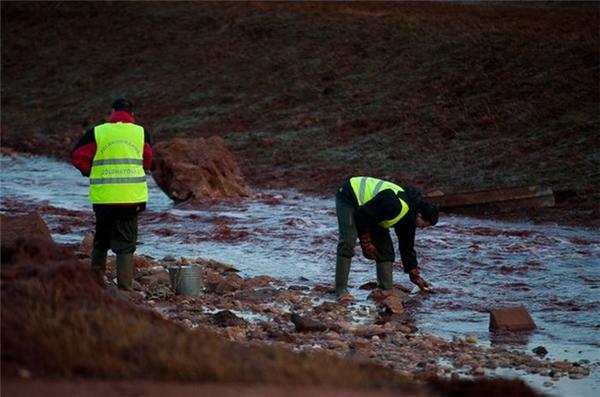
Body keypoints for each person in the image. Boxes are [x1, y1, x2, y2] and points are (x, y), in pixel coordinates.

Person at [71, 98, 153, 290]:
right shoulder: (141, 132)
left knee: (101, 238)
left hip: (104, 198)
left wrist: (90, 171)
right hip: (131, 198)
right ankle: (125, 288)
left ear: (112, 112)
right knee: (125, 243)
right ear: (132, 114)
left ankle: (95, 282)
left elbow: (77, 156)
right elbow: (148, 160)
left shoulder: (98, 132)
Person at [334, 176, 439, 302]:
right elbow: (362, 216)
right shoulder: (395, 204)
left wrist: (414, 274)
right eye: (423, 225)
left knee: (386, 249)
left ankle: (384, 290)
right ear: (419, 215)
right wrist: (366, 243)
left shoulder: (409, 221)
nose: (422, 228)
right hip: (350, 195)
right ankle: (341, 290)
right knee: (348, 240)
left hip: (373, 212)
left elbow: (407, 247)